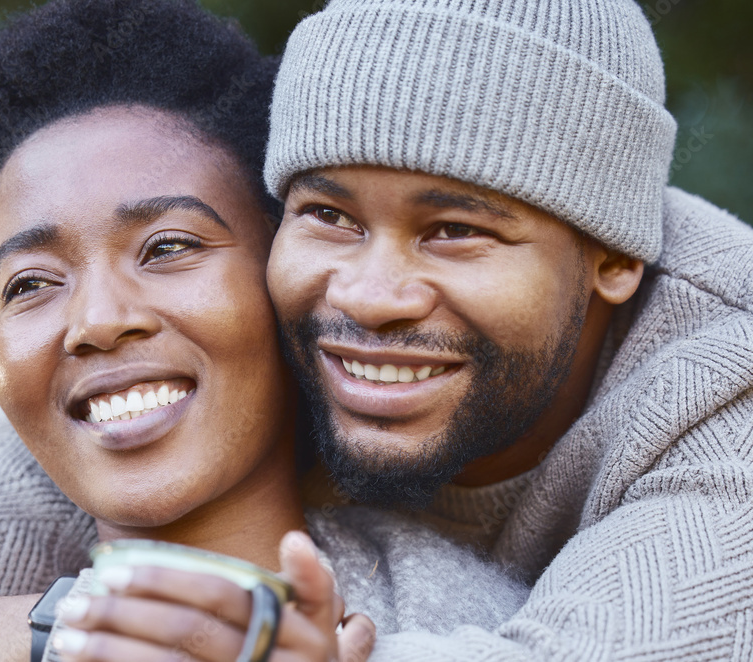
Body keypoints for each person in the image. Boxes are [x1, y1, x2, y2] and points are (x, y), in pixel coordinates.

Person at [0, 1, 529, 660]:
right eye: (31, 285)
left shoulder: (474, 626)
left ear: (284, 276)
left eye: (169, 248)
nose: (96, 321)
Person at [133, 0, 749, 658]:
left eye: (454, 231)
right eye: (330, 216)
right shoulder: (239, 308)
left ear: (617, 255)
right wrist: (70, 627)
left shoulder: (728, 377)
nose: (368, 298)